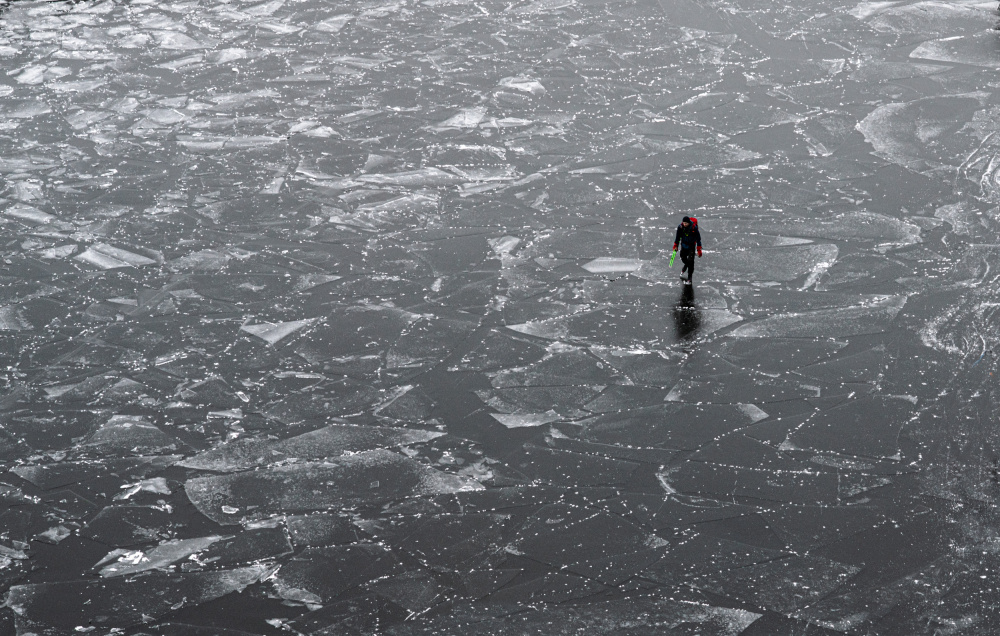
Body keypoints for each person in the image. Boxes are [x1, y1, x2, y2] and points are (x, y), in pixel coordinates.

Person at [672, 216, 702, 284]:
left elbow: (698, 239)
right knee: (683, 258)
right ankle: (686, 265)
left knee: (691, 261)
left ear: (689, 223)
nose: (684, 224)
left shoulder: (694, 228)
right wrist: (675, 245)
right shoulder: (680, 227)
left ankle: (689, 277)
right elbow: (677, 237)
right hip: (684, 245)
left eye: (686, 223)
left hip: (691, 246)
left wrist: (699, 249)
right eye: (683, 223)